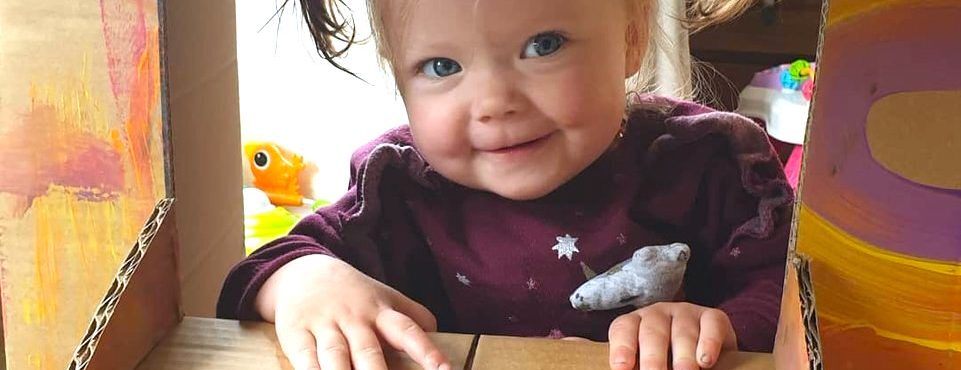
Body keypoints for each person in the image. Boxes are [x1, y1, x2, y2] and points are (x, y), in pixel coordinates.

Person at [218, 1, 794, 370]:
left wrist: (720, 326)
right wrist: (308, 283)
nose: (494, 104)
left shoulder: (714, 163)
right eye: (442, 67)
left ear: (631, 34)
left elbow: (792, 293)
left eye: (543, 45)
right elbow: (264, 269)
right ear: (399, 78)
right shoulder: (396, 185)